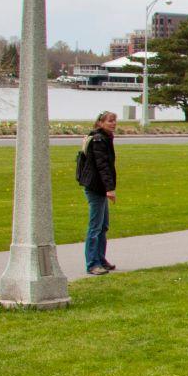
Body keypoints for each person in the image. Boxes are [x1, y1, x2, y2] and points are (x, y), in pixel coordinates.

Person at [79, 110, 118, 274]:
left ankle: (101, 259)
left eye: (115, 121)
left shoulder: (105, 138)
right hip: (96, 187)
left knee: (103, 226)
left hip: (100, 187)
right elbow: (102, 166)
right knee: (95, 227)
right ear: (101, 123)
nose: (113, 123)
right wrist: (109, 189)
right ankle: (92, 263)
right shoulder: (98, 140)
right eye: (110, 121)